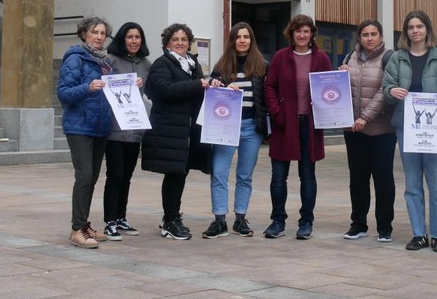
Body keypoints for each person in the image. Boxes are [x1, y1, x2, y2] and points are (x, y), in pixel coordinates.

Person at [382, 10, 437, 253]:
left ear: (428, 29)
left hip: (435, 131)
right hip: (408, 128)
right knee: (413, 183)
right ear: (406, 31)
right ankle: (418, 234)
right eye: (411, 27)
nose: (415, 31)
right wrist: (392, 91)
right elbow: (386, 86)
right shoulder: (398, 58)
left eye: (420, 26)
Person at [263, 14, 332, 240]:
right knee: (278, 176)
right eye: (297, 31)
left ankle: (306, 222)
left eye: (306, 31)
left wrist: (323, 103)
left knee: (307, 176)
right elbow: (269, 86)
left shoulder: (321, 59)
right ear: (291, 33)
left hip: (310, 125)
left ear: (312, 34)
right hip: (284, 124)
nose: (302, 35)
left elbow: (331, 88)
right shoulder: (281, 57)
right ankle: (278, 221)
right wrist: (276, 112)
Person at [142, 23, 211, 240]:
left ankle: (172, 216)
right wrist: (198, 85)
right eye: (175, 39)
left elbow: (198, 90)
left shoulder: (192, 63)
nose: (180, 43)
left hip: (186, 129)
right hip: (169, 129)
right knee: (174, 173)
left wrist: (212, 85)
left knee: (180, 172)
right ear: (167, 43)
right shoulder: (162, 63)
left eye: (184, 39)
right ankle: (170, 220)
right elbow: (165, 90)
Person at [203, 22, 269, 239]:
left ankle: (240, 218)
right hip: (225, 127)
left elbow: (268, 97)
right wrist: (220, 85)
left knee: (245, 176)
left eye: (246, 37)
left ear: (251, 40)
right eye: (238, 37)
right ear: (232, 41)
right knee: (219, 173)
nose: (242, 40)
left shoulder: (262, 66)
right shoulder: (222, 67)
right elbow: (211, 92)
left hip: (252, 127)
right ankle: (219, 219)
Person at [58, 16, 114, 249]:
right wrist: (88, 87)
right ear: (84, 34)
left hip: (99, 127)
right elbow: (64, 94)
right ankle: (76, 229)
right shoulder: (75, 57)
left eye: (102, 33)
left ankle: (84, 225)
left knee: (91, 178)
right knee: (84, 176)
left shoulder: (105, 62)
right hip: (79, 126)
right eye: (94, 32)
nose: (99, 37)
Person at [339, 19, 397, 242]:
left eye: (374, 34)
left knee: (383, 179)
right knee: (358, 179)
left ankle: (385, 227)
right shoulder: (348, 58)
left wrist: (365, 117)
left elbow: (386, 91)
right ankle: (358, 224)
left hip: (382, 129)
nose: (369, 38)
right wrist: (340, 75)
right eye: (365, 34)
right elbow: (341, 89)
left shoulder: (389, 58)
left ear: (381, 36)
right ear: (359, 37)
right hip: (354, 130)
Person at [102, 21, 152, 241]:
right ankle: (109, 221)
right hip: (114, 128)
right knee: (115, 174)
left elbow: (150, 92)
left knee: (128, 176)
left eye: (137, 37)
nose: (134, 41)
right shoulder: (110, 61)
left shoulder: (146, 64)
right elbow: (102, 90)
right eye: (130, 37)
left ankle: (121, 217)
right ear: (122, 39)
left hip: (135, 127)